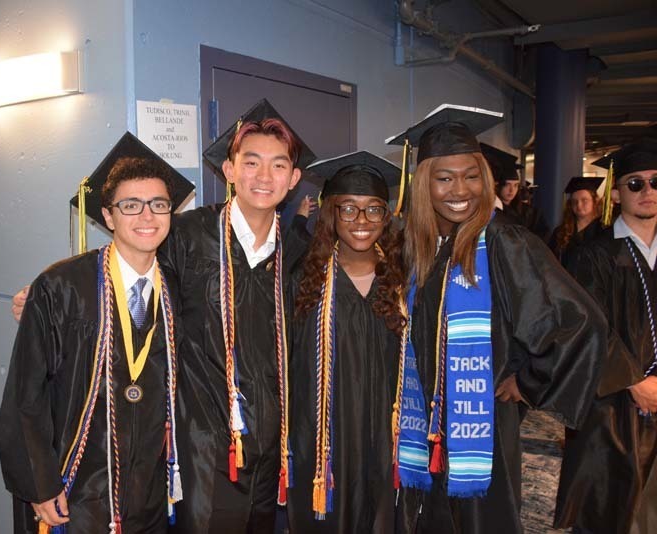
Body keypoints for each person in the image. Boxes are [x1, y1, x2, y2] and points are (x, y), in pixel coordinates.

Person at [385, 104, 606, 533]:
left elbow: (580, 320)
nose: (459, 189)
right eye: (444, 178)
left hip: (480, 427)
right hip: (427, 428)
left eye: (471, 175)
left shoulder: (502, 239)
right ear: (423, 185)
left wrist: (527, 381)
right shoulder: (423, 247)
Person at [0, 132, 193, 534]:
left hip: (150, 485)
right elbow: (24, 395)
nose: (146, 216)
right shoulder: (62, 287)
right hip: (79, 483)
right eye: (130, 205)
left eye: (158, 205)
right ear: (108, 216)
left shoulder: (176, 286)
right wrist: (40, 483)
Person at [160, 99, 316, 533]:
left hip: (271, 443)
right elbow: (132, 283)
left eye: (278, 166)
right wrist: (52, 292)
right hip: (206, 444)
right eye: (251, 162)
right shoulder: (186, 236)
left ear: (294, 179)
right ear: (229, 170)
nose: (264, 177)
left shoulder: (299, 253)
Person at [286, 151, 405, 533]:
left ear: (386, 217)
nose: (361, 221)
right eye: (348, 209)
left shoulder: (404, 278)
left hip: (386, 436)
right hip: (324, 438)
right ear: (331, 215)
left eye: (373, 209)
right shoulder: (305, 279)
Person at [554, 139, 657, 534]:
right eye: (635, 184)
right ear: (616, 191)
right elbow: (587, 327)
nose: (646, 191)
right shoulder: (592, 255)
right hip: (611, 407)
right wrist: (635, 382)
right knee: (609, 511)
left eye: (654, 182)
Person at [481, 142, 549, 240]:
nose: (511, 190)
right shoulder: (491, 209)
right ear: (498, 185)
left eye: (516, 185)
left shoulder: (529, 213)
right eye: (507, 184)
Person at [547, 176, 604, 273]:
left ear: (594, 202)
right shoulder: (560, 232)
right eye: (574, 201)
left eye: (584, 200)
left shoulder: (603, 231)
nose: (579, 205)